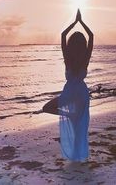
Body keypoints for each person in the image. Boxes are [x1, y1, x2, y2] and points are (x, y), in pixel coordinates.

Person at [34, 9, 93, 162]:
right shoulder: (84, 59)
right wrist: (81, 22)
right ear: (83, 45)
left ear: (71, 44)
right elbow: (91, 36)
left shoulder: (68, 58)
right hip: (81, 93)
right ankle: (78, 155)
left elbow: (62, 36)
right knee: (79, 126)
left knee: (49, 109)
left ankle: (76, 155)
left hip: (71, 93)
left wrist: (74, 23)